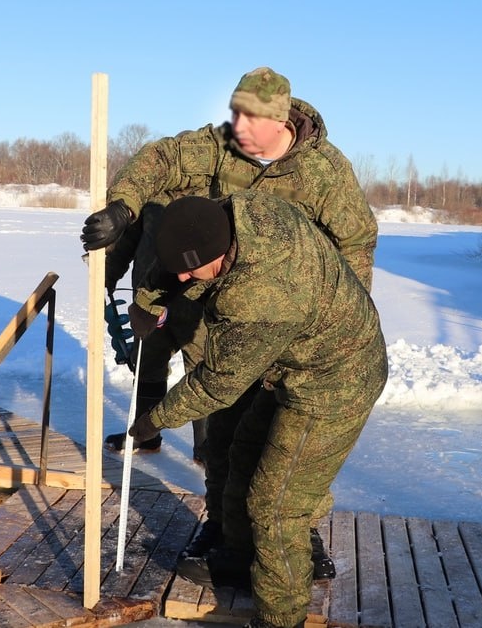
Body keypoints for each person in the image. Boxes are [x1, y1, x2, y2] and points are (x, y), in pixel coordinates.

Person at [82, 66, 376, 574]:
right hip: (221, 310)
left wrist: (338, 317)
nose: (237, 125)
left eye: (250, 117)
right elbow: (163, 159)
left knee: (291, 433)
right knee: (223, 423)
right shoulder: (218, 146)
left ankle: (300, 530)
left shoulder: (325, 172)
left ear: (280, 119)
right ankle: (219, 520)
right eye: (234, 112)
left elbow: (356, 241)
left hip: (297, 323)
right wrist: (124, 208)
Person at [128, 192, 388, 628]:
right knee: (240, 452)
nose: (187, 278)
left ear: (218, 252)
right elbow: (184, 249)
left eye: (192, 269)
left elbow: (216, 385)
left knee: (277, 504)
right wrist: (148, 302)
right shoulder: (239, 211)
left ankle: (279, 618)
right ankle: (236, 558)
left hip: (336, 380)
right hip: (293, 356)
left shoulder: (257, 296)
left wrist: (153, 420)